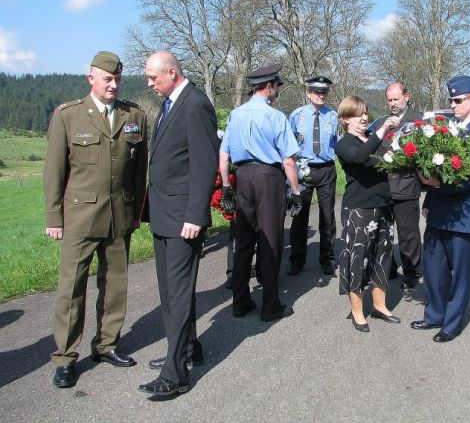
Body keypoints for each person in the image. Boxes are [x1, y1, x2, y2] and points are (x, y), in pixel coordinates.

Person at [44, 51, 148, 388]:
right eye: (107, 79)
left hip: (120, 216)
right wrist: (53, 217)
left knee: (115, 285)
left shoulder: (134, 115)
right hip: (79, 217)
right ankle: (65, 357)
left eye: (117, 79)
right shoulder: (68, 116)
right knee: (71, 288)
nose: (113, 84)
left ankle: (106, 344)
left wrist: (136, 213)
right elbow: (54, 172)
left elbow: (139, 171)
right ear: (91, 79)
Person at [139, 51, 219, 397]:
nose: (149, 83)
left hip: (182, 218)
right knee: (170, 293)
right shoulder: (171, 102)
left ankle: (176, 374)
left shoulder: (195, 103)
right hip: (163, 213)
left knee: (178, 292)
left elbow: (204, 164)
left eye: (152, 78)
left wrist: (195, 215)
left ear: (171, 72)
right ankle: (186, 349)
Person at [411, 75, 470, 342]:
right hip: (439, 210)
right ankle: (434, 313)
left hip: (463, 214)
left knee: (459, 272)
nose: (453, 105)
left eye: (458, 100)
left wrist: (438, 183)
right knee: (434, 266)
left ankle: (452, 322)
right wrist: (429, 198)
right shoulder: (450, 129)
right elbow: (435, 168)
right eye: (450, 100)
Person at [219, 63, 302, 323]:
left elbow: (224, 154)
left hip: (242, 177)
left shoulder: (235, 114)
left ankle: (240, 301)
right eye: (276, 86)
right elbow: (288, 160)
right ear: (269, 87)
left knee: (244, 240)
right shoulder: (276, 117)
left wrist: (226, 186)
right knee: (270, 239)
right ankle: (270, 305)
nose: (276, 90)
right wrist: (296, 192)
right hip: (268, 177)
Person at [335, 96, 401, 332]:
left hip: (383, 205)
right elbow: (360, 157)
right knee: (358, 259)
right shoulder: (344, 144)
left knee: (382, 256)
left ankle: (380, 306)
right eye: (357, 114)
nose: (364, 118)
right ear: (345, 119)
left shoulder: (372, 140)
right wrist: (382, 129)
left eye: (365, 113)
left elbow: (387, 162)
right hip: (359, 210)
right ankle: (357, 312)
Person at [368, 82, 423, 289]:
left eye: (396, 99)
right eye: (389, 100)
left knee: (408, 233)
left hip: (406, 186)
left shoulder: (419, 120)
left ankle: (411, 271)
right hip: (383, 188)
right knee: (384, 232)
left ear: (406, 97)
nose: (393, 103)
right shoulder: (380, 122)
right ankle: (387, 268)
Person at [287, 76, 339, 276]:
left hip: (326, 169)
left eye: (324, 92)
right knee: (299, 215)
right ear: (308, 93)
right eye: (317, 92)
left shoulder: (333, 116)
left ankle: (327, 258)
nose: (321, 95)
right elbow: (289, 144)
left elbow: (338, 143)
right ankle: (297, 260)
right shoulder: (296, 115)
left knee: (327, 216)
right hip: (304, 169)